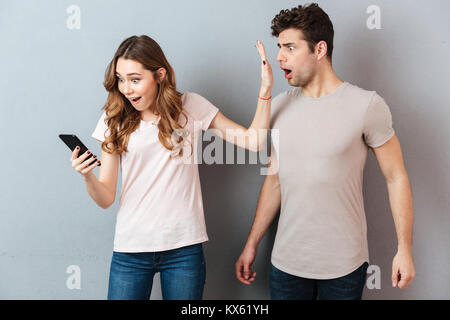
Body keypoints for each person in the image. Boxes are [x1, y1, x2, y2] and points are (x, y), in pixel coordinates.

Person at [69, 35, 273, 300]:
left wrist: (266, 89)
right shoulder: (114, 118)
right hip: (131, 249)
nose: (126, 89)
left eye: (134, 79)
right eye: (120, 79)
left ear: (159, 75)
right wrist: (87, 176)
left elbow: (254, 142)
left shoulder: (190, 106)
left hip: (183, 250)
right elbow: (106, 197)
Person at [235, 3, 415, 300]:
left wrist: (404, 249)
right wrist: (252, 243)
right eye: (279, 47)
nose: (279, 56)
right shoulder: (278, 106)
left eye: (290, 47)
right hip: (286, 266)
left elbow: (396, 177)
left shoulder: (367, 106)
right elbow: (274, 180)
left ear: (319, 50)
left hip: (345, 268)